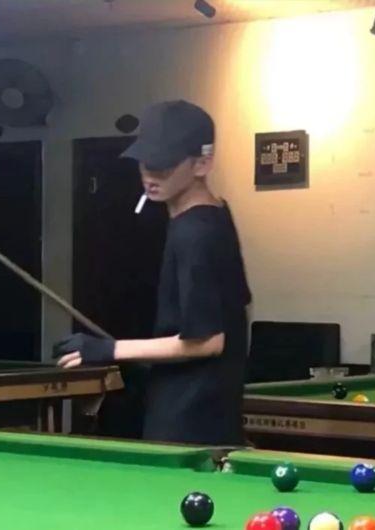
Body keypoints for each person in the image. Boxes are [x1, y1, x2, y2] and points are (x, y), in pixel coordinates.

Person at [53, 100, 251, 446]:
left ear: (202, 163)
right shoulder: (216, 215)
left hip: (190, 418)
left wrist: (109, 350)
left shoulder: (195, 233)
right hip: (208, 407)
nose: (150, 176)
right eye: (145, 163)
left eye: (164, 165)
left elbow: (208, 341)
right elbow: (239, 309)